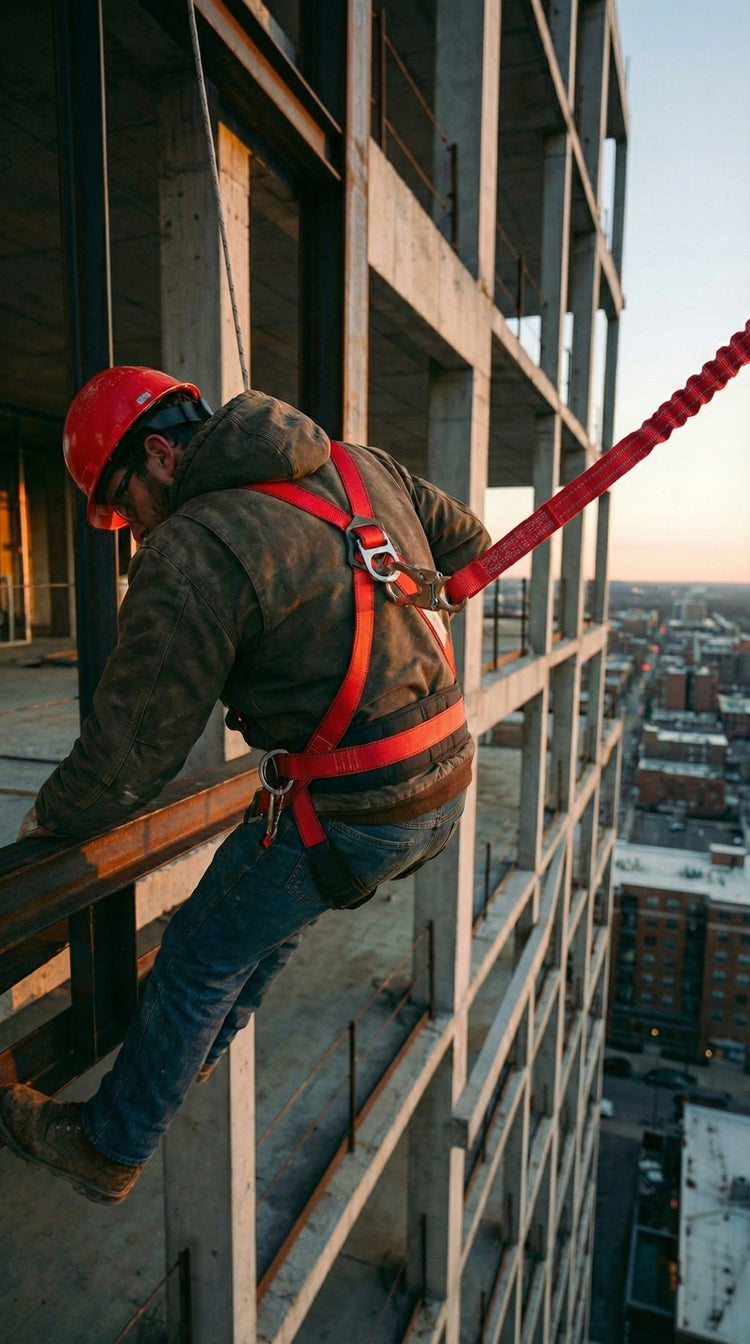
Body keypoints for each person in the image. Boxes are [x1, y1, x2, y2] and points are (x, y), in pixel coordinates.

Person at [0, 367, 490, 1204]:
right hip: (441, 780)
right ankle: (185, 1057)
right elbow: (471, 546)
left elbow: (131, 755)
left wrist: (50, 825)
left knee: (195, 956)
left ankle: (111, 1145)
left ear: (159, 455)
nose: (130, 531)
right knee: (261, 918)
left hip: (359, 808)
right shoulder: (359, 464)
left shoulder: (193, 548)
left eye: (125, 505)